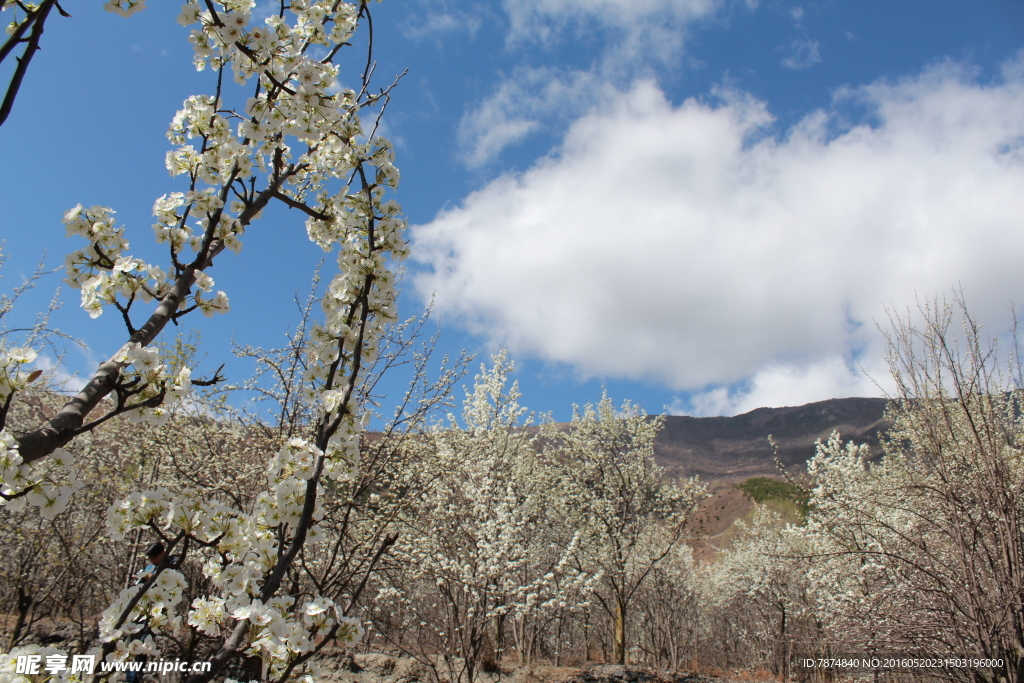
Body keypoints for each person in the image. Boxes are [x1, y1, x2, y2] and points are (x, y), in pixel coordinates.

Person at [126, 542, 174, 683]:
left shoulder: (171, 564)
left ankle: (134, 678)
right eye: (150, 557)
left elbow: (170, 584)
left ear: (162, 553)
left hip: (155, 612)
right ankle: (130, 678)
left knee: (142, 643)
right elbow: (139, 584)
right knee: (131, 644)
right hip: (140, 610)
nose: (152, 560)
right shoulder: (149, 568)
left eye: (154, 556)